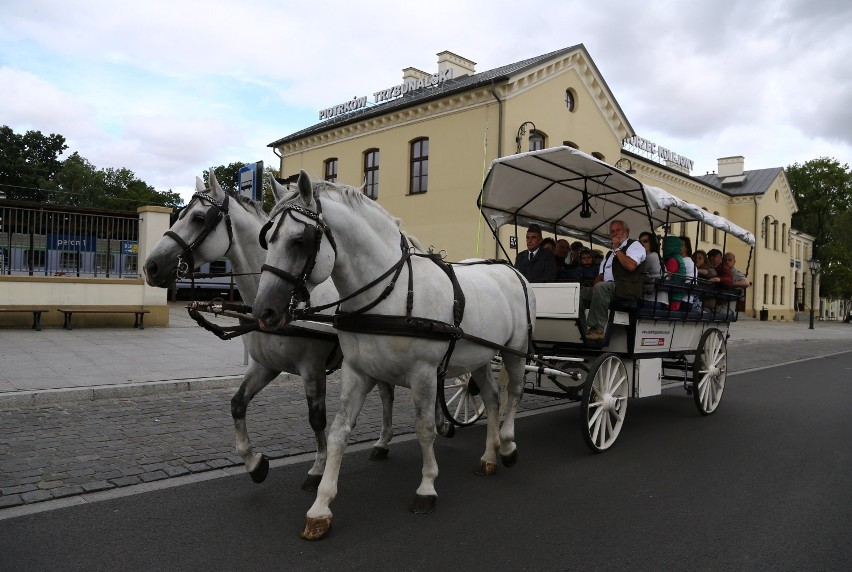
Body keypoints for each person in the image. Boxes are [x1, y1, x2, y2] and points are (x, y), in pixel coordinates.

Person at [585, 220, 646, 341]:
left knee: (601, 288)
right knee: (578, 292)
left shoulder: (635, 246)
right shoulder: (609, 254)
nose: (615, 233)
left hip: (624, 288)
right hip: (608, 288)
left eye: (618, 230)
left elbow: (630, 266)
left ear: (627, 232)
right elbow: (600, 275)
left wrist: (617, 249)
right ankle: (579, 326)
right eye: (612, 231)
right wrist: (593, 289)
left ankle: (596, 329)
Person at [638, 231, 667, 309]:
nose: (642, 244)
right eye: (640, 242)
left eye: (645, 241)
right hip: (660, 299)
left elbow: (638, 273)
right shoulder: (657, 256)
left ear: (651, 243)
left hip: (653, 299)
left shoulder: (651, 257)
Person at [662, 236, 686, 311]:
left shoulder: (672, 260)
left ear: (669, 247)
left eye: (664, 246)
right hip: (676, 297)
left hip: (672, 299)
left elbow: (666, 278)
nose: (662, 248)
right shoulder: (678, 258)